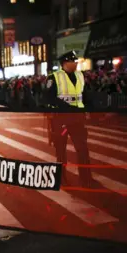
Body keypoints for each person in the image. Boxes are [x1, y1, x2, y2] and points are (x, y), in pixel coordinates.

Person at [44, 51, 95, 188]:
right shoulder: (54, 77)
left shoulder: (80, 75)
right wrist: (65, 106)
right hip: (61, 118)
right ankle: (61, 177)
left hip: (77, 118)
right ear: (65, 63)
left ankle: (86, 177)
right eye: (73, 62)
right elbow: (48, 97)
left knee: (82, 148)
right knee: (61, 150)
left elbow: (83, 94)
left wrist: (91, 107)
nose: (76, 64)